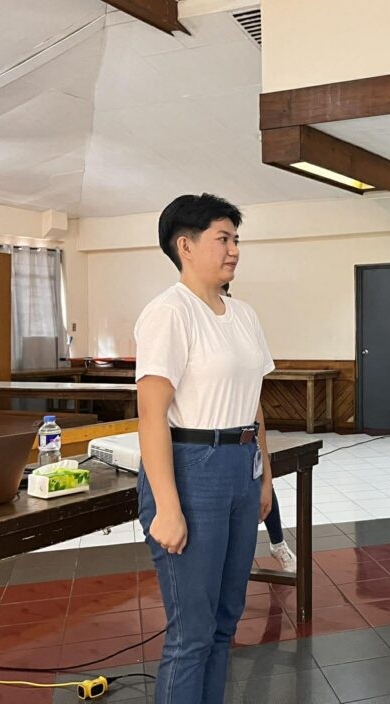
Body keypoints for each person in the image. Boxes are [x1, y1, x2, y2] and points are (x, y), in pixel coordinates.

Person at [135, 194, 275, 704]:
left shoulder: (243, 314)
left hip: (240, 465)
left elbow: (254, 404)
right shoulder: (169, 313)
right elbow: (151, 416)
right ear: (186, 246)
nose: (234, 249)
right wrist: (167, 507)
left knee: (224, 622)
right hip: (192, 471)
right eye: (223, 238)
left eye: (236, 239)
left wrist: (264, 476)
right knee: (191, 633)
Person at [221, 283, 296, 573]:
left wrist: (264, 458)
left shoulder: (243, 322)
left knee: (263, 485)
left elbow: (255, 405)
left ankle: (278, 544)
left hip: (244, 437)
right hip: (208, 447)